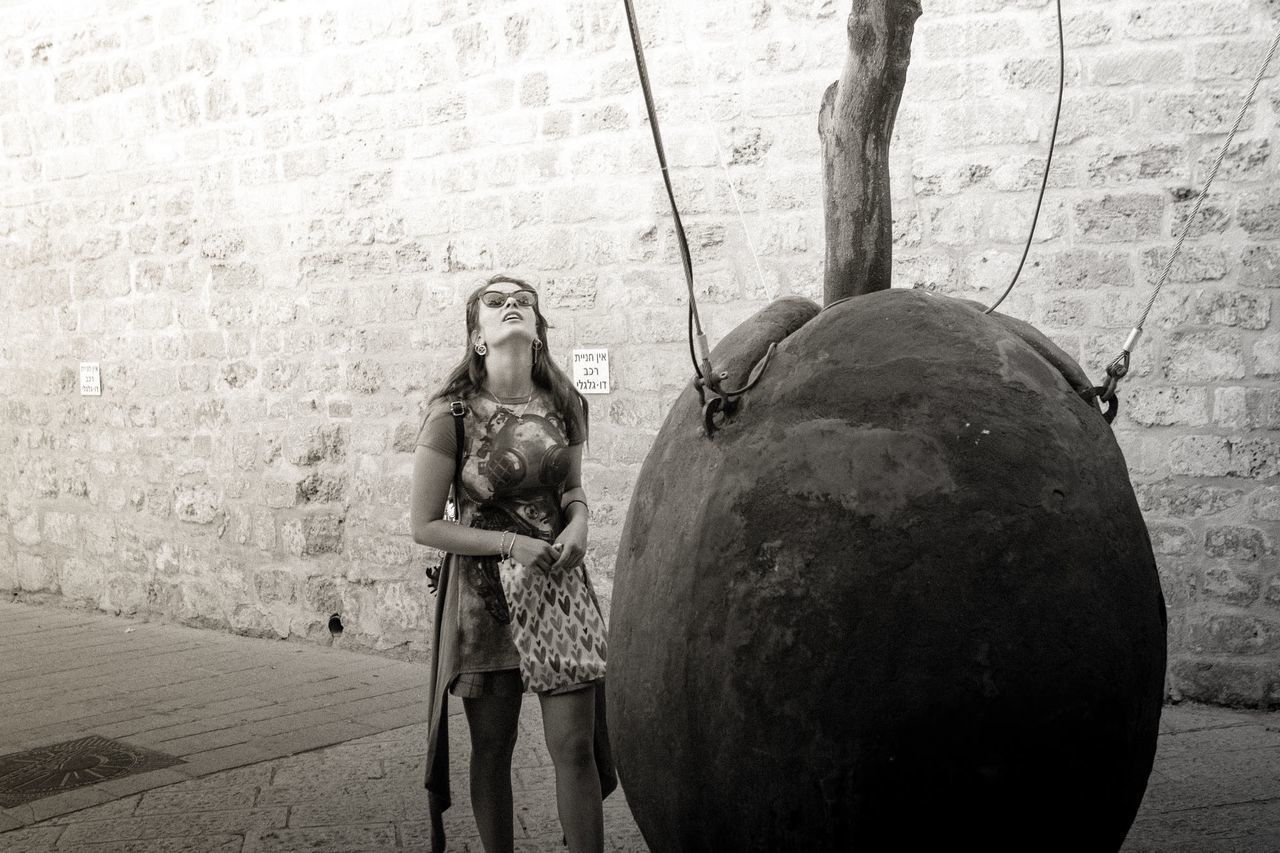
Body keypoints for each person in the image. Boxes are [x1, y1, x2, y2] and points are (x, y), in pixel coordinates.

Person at [410, 273, 615, 853]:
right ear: (478, 337)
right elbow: (425, 525)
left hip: (557, 589)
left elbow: (572, 489)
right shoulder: (450, 415)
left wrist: (579, 522)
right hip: (484, 601)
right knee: (493, 750)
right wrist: (508, 545)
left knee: (575, 748)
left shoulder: (565, 403)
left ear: (538, 329)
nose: (512, 306)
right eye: (495, 303)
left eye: (523, 301)